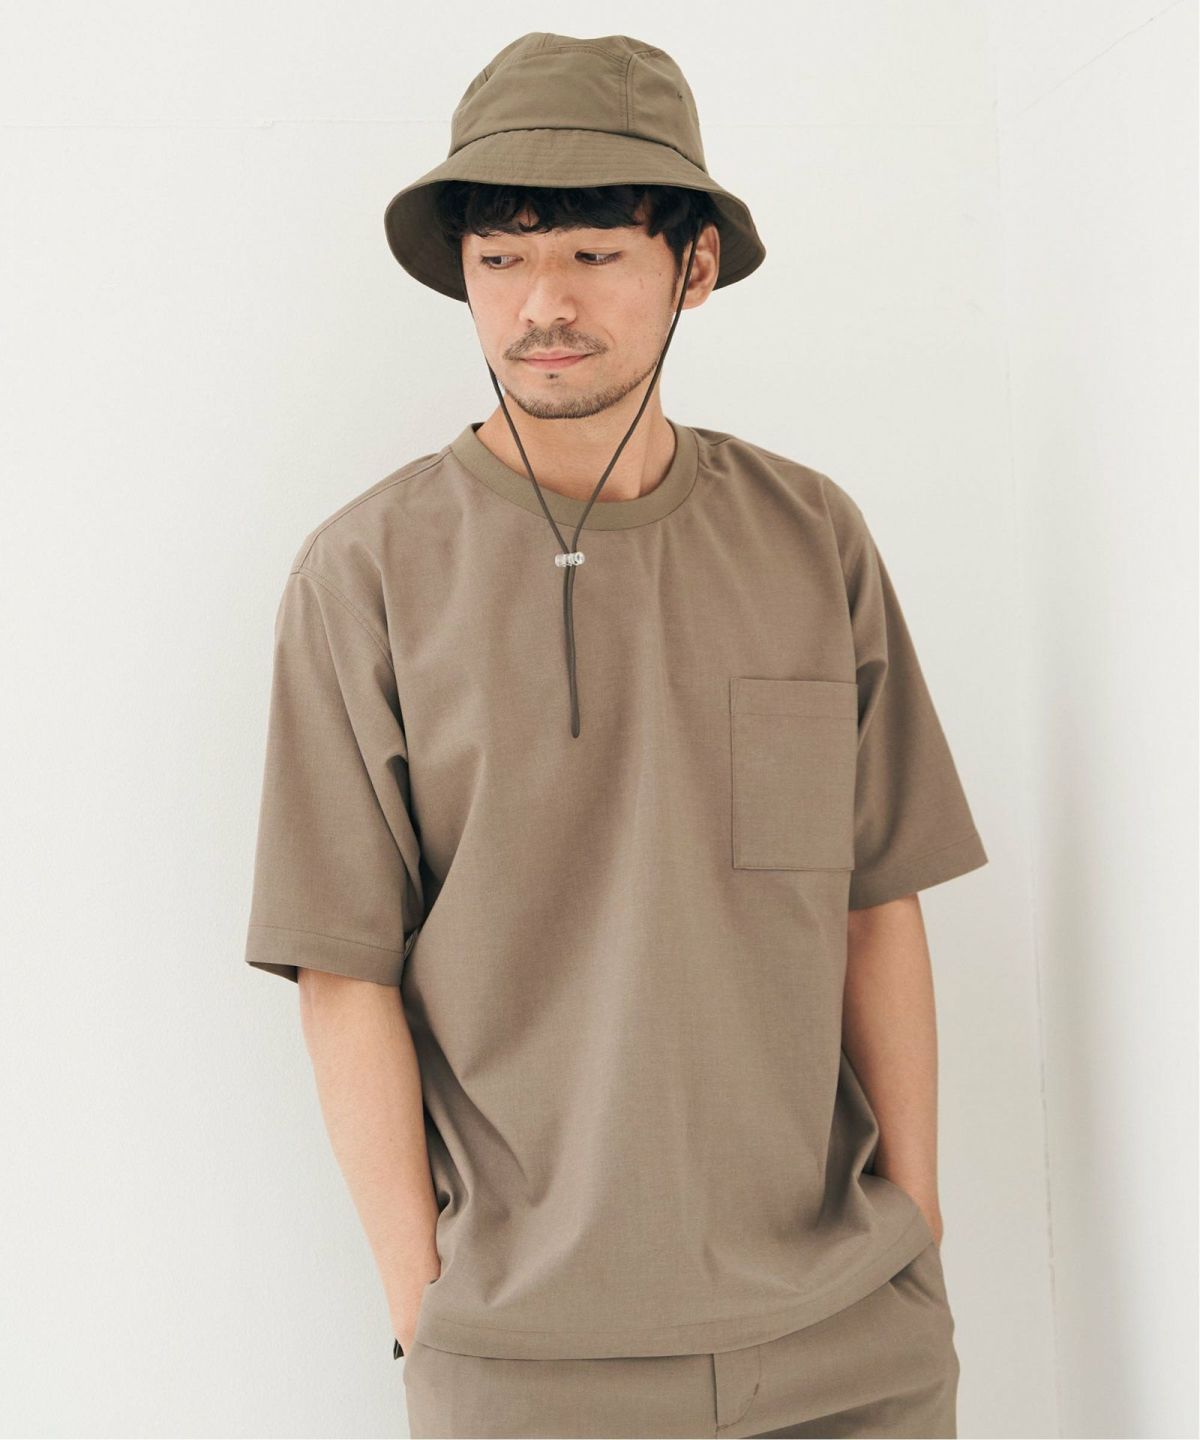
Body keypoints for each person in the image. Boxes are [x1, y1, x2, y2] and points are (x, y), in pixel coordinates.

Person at [243, 30, 989, 1440]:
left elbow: (874, 902)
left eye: (594, 251)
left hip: (846, 1337)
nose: (543, 303)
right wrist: (423, 1307)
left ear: (694, 266)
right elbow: (342, 971)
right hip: (527, 1360)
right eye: (503, 257)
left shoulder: (810, 536)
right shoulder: (367, 573)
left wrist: (920, 1231)